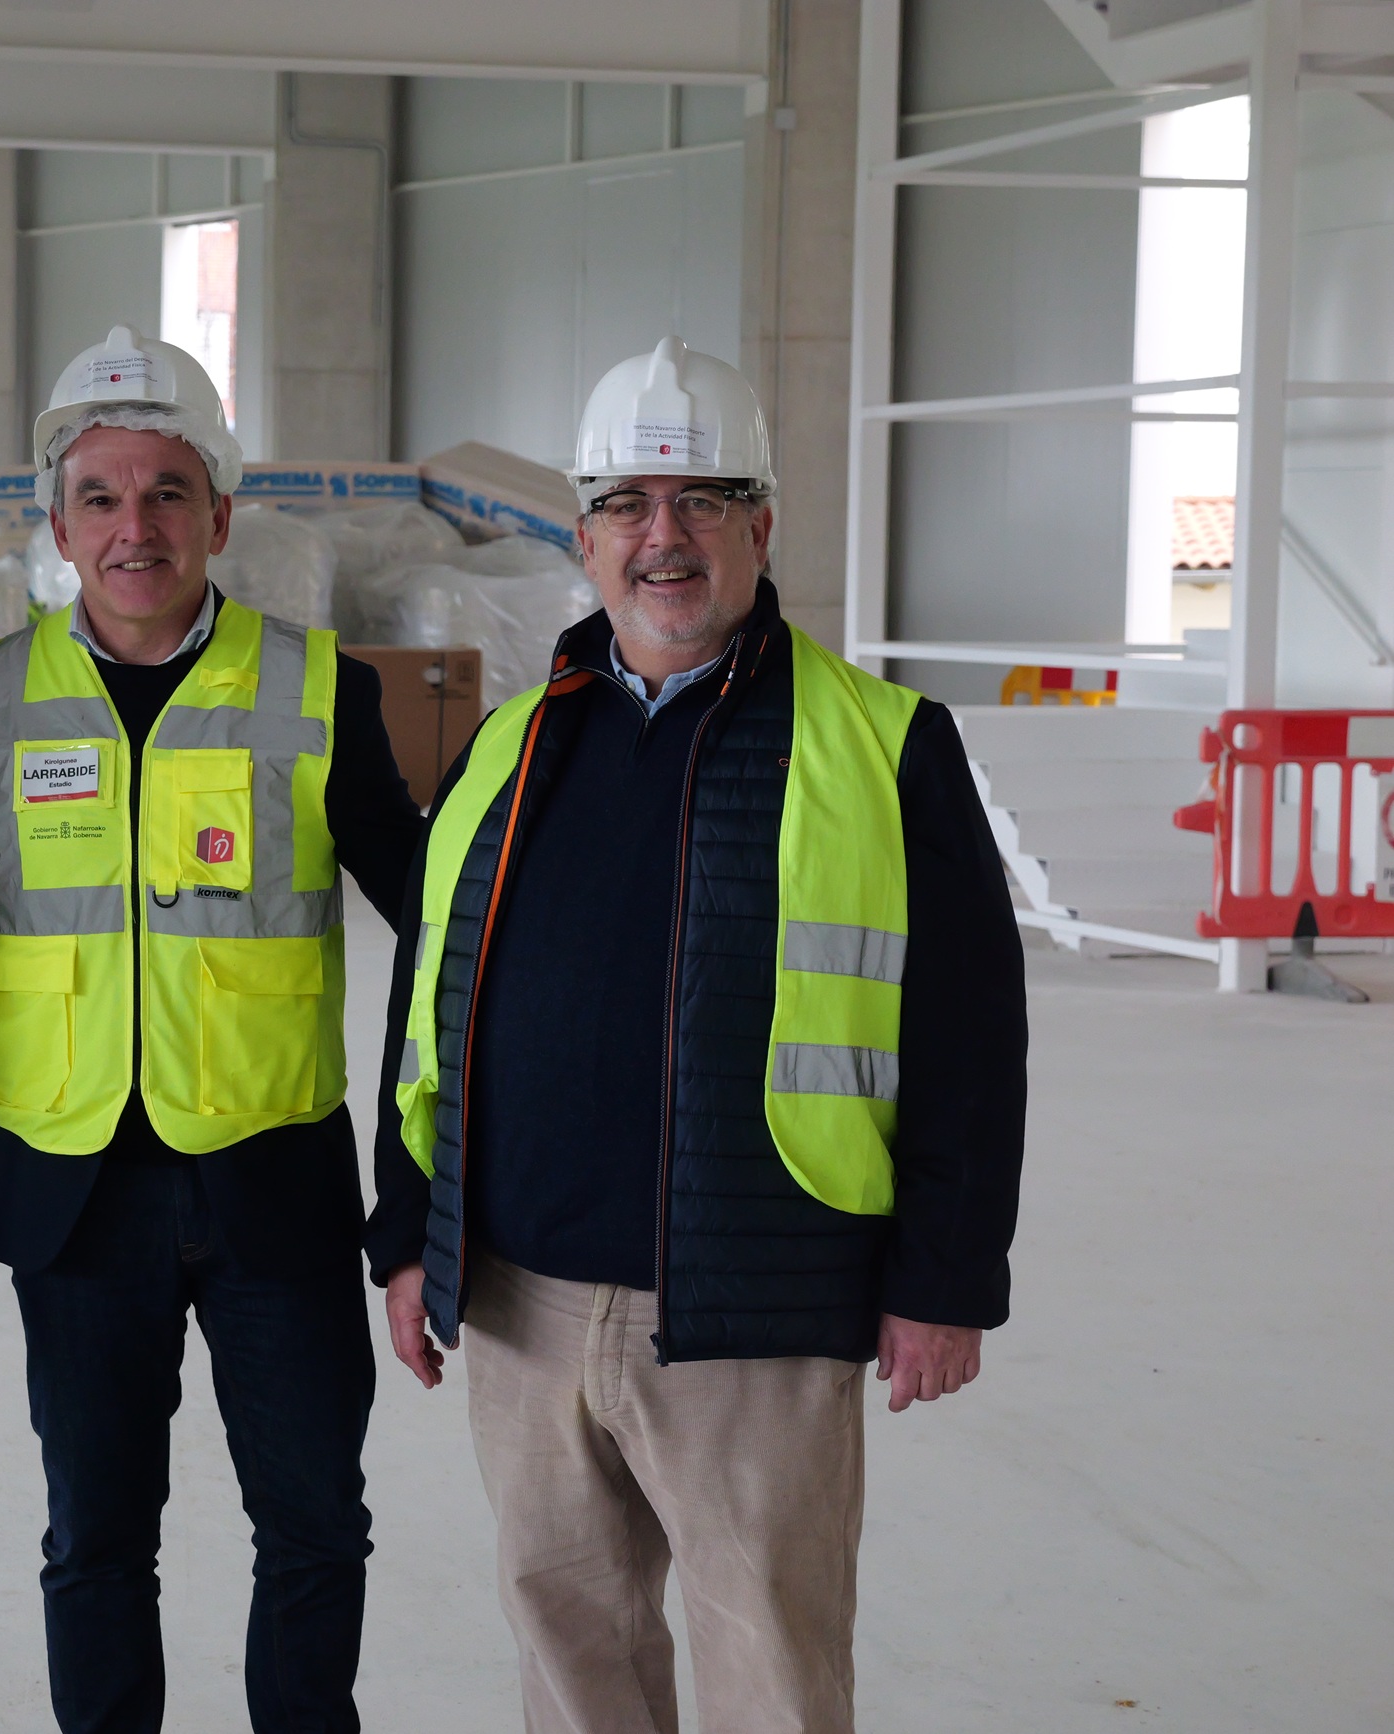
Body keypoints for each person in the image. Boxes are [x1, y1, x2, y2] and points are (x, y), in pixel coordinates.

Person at [369, 336, 1026, 1734]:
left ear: (758, 527)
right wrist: (406, 1234)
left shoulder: (882, 741)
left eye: (702, 501)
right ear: (584, 532)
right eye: (623, 505)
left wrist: (946, 1274)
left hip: (750, 1307)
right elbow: (426, 1000)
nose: (660, 538)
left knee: (769, 1677)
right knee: (567, 1657)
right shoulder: (508, 740)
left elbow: (970, 1040)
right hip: (521, 1295)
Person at [0, 326, 423, 1734]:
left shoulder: (318, 687)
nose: (134, 527)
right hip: (72, 1186)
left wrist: (420, 1182)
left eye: (167, 492)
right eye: (98, 496)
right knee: (94, 1539)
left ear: (220, 515)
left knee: (312, 1529)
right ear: (55, 523)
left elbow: (438, 926)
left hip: (270, 1182)